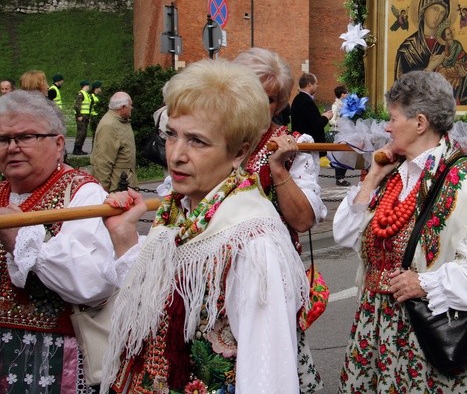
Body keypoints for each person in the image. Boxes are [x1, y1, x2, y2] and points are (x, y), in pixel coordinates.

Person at [98, 59, 308, 393]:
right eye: (171, 134)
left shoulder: (251, 238)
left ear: (239, 152)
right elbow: (157, 311)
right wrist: (124, 237)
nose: (176, 155)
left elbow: (268, 372)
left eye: (197, 141)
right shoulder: (177, 213)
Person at [333, 70, 467, 393]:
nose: (386, 127)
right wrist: (372, 176)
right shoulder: (394, 175)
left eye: (393, 118)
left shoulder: (466, 180)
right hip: (375, 330)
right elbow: (345, 234)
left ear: (419, 122)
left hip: (429, 337)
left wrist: (425, 283)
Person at [0, 90, 118, 392]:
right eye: (3, 139)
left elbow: (91, 284)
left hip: (55, 356)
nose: (12, 148)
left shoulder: (83, 195)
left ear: (58, 143)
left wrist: (19, 239)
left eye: (25, 136)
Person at [234, 48, 326, 392]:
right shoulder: (211, 139)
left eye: (270, 99)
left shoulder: (293, 146)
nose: (260, 106)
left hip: (266, 282)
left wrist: (278, 170)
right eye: (250, 93)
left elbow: (303, 220)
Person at [394, 0, 467, 106]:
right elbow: (401, 91)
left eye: (442, 13)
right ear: (423, 10)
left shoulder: (449, 46)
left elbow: (466, 82)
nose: (437, 17)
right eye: (435, 9)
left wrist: (461, 72)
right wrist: (429, 68)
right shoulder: (407, 49)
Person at [90, 92, 138, 192]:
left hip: (124, 184)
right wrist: (103, 191)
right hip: (116, 188)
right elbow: (103, 162)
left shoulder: (120, 121)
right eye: (130, 105)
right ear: (123, 107)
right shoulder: (109, 125)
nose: (132, 107)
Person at [291, 72, 333, 151]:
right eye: (316, 83)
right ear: (309, 84)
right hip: (310, 147)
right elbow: (317, 125)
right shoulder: (306, 101)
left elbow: (309, 120)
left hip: (304, 144)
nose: (317, 86)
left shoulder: (298, 98)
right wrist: (326, 117)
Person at [435, 25, 467, 105]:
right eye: (448, 34)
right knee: (439, 70)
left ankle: (452, 100)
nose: (451, 34)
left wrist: (442, 59)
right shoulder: (446, 46)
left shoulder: (456, 45)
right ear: (444, 37)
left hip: (460, 65)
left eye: (450, 33)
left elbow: (451, 59)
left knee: (443, 72)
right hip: (451, 66)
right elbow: (446, 58)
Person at [330, 84, 350, 186]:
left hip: (347, 133)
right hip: (338, 133)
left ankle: (342, 177)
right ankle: (339, 178)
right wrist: (341, 122)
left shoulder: (347, 105)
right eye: (346, 92)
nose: (348, 94)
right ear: (342, 94)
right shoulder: (335, 106)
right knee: (340, 155)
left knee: (346, 155)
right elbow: (332, 121)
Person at [73, 80, 92, 155]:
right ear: (85, 86)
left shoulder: (86, 94)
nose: (89, 87)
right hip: (81, 116)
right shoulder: (81, 94)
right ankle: (77, 149)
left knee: (84, 133)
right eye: (88, 85)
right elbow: (77, 106)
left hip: (85, 116)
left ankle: (80, 148)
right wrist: (79, 115)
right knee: (81, 133)